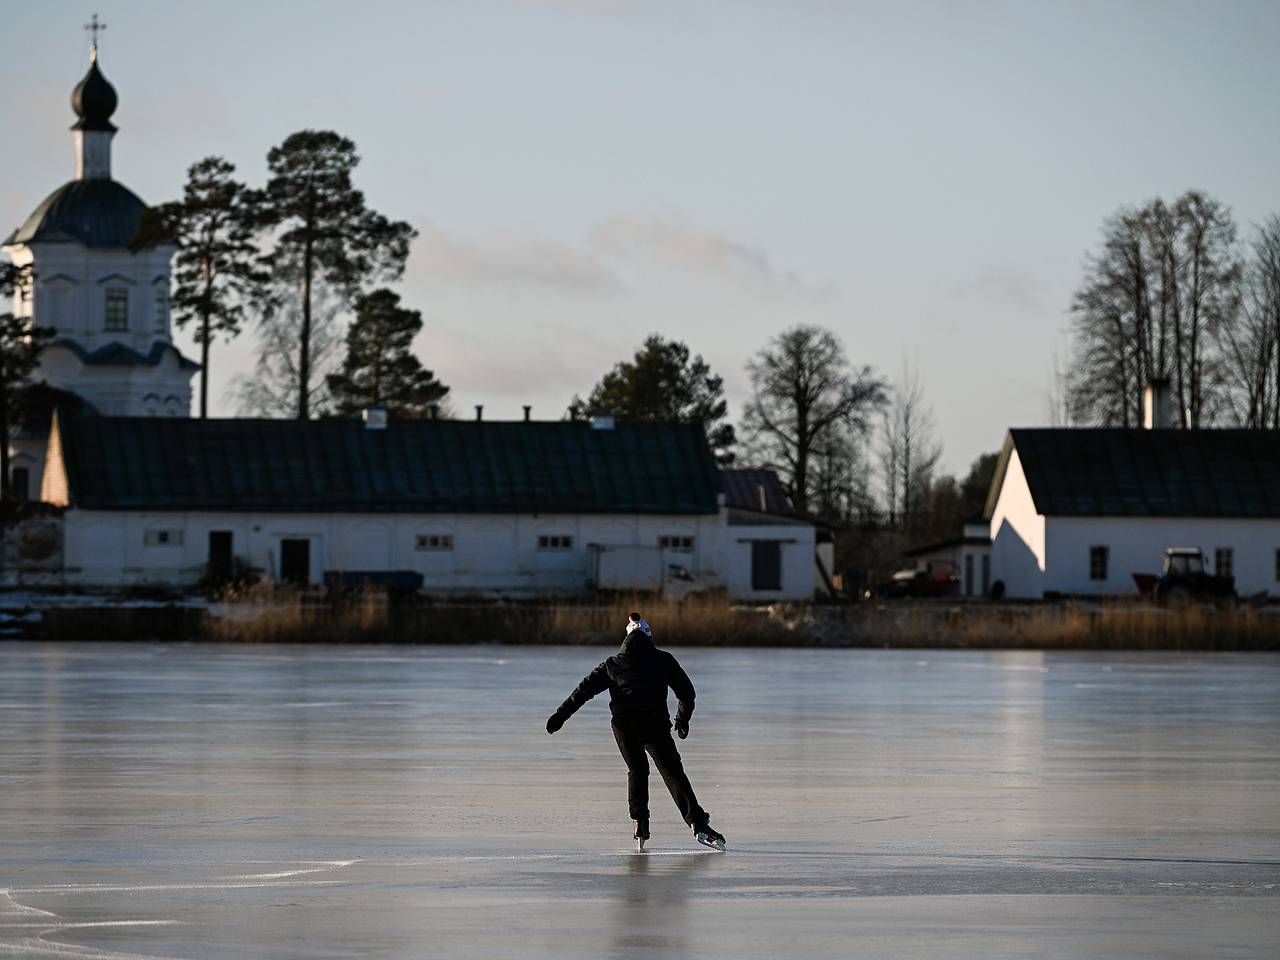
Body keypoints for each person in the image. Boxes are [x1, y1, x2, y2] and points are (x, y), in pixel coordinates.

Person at [545, 611, 727, 851]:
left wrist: (559, 716)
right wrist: (682, 721)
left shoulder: (612, 664)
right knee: (673, 773)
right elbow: (687, 693)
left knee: (637, 770)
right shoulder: (663, 660)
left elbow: (582, 692)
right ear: (649, 637)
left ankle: (639, 823)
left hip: (624, 725)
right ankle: (698, 825)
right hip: (654, 724)